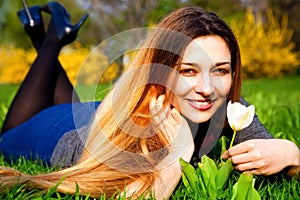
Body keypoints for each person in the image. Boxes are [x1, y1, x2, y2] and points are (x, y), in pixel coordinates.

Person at [0, 1, 299, 199]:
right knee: (6, 135)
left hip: (98, 111)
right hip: (61, 132)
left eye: (220, 70)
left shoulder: (231, 110)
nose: (207, 88)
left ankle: (46, 38)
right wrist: (178, 154)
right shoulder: (134, 127)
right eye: (188, 71)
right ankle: (52, 40)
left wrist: (290, 154)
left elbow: (286, 165)